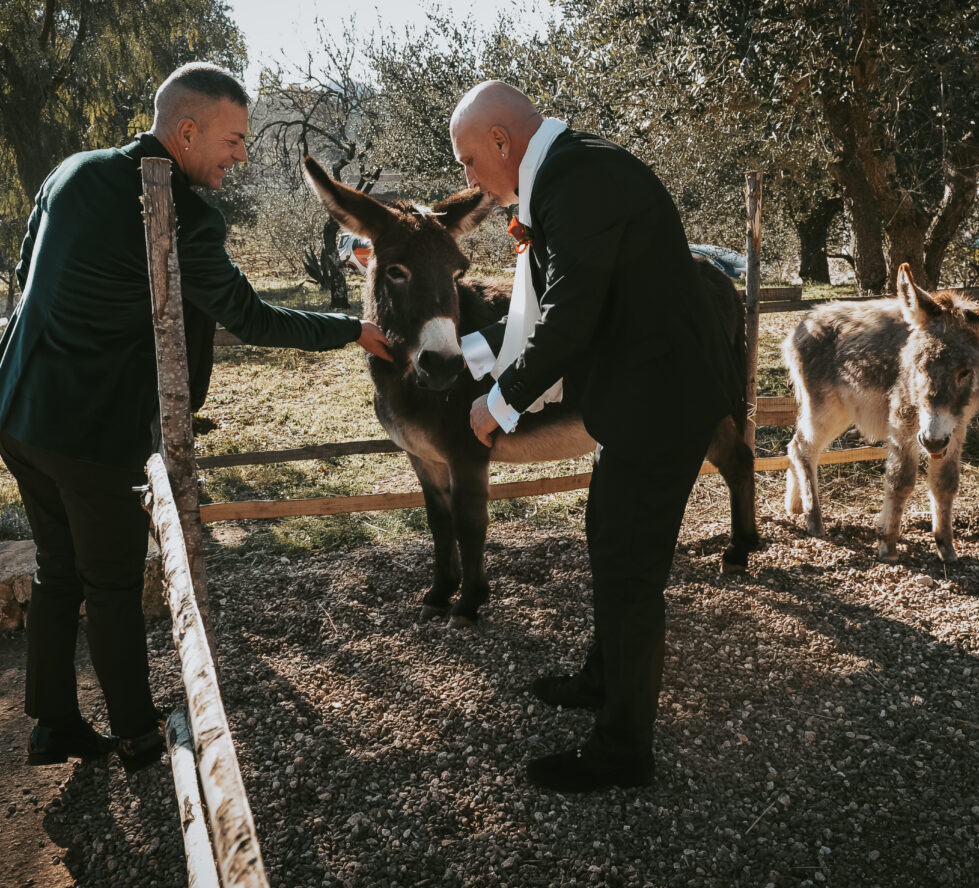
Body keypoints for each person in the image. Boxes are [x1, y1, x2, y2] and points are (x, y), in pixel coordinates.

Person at [0, 62, 392, 774]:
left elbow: (27, 271)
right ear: (186, 132)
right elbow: (248, 316)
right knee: (113, 583)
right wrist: (349, 329)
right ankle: (138, 738)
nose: (241, 155)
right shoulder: (180, 213)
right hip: (88, 431)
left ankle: (53, 722)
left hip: (16, 409)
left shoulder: (72, 170)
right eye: (234, 139)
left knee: (59, 569)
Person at [450, 81, 743, 792]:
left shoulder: (578, 182)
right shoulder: (571, 173)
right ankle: (600, 681)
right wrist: (469, 352)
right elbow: (557, 306)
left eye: (466, 160)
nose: (468, 179)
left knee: (631, 574)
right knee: (608, 538)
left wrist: (499, 403)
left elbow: (568, 319)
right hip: (641, 402)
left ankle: (623, 750)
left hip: (663, 405)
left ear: (500, 142)